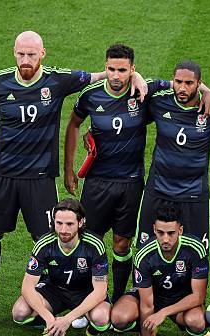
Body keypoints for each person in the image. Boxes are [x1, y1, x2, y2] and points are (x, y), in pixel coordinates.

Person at [0, 31, 146, 315]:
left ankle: (49, 295)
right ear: (14, 52)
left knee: (48, 236)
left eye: (31, 54)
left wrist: (136, 78)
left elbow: (100, 75)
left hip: (40, 178)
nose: (25, 60)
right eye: (20, 54)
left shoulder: (57, 79)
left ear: (43, 54)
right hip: (2, 173)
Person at [64, 44, 171, 304]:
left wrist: (208, 92)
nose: (115, 75)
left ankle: (117, 297)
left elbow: (184, 83)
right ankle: (89, 297)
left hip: (130, 183)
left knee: (122, 244)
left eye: (122, 70)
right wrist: (68, 169)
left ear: (132, 69)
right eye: (111, 69)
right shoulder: (91, 95)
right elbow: (73, 124)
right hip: (97, 182)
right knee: (91, 241)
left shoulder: (143, 91)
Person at [136, 60, 210, 253]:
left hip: (194, 193)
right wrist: (207, 89)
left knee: (197, 252)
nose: (182, 87)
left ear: (198, 83)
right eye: (178, 82)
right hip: (158, 189)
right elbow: (137, 84)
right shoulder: (159, 100)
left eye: (189, 83)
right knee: (146, 248)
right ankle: (142, 284)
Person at [110, 204, 209, 336]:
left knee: (197, 321)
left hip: (182, 301)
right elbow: (147, 305)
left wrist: (163, 312)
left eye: (171, 233)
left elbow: (198, 297)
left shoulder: (195, 249)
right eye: (160, 233)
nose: (165, 239)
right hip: (153, 298)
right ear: (154, 230)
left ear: (180, 230)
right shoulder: (144, 255)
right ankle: (145, 335)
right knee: (119, 318)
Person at [11, 198, 111, 336]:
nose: (63, 230)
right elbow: (27, 288)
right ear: (53, 222)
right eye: (59, 223)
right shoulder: (44, 243)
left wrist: (67, 319)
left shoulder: (94, 245)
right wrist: (49, 318)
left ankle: (92, 334)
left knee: (101, 318)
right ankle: (49, 327)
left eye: (70, 224)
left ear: (80, 222)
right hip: (54, 289)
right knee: (20, 312)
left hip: (85, 292)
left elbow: (100, 291)